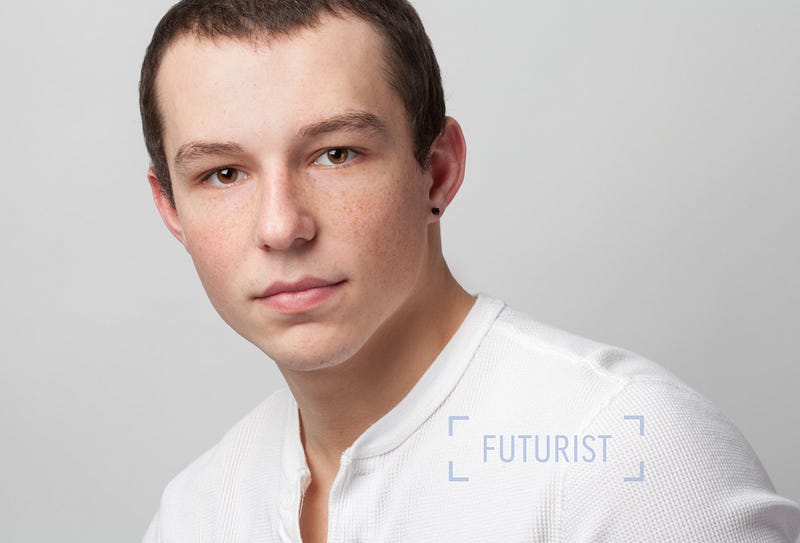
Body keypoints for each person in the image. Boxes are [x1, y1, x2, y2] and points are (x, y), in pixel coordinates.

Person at [139, 1, 800, 541]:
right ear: (170, 209)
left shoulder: (626, 453)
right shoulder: (194, 511)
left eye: (337, 154)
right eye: (222, 174)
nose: (282, 226)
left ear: (437, 171)